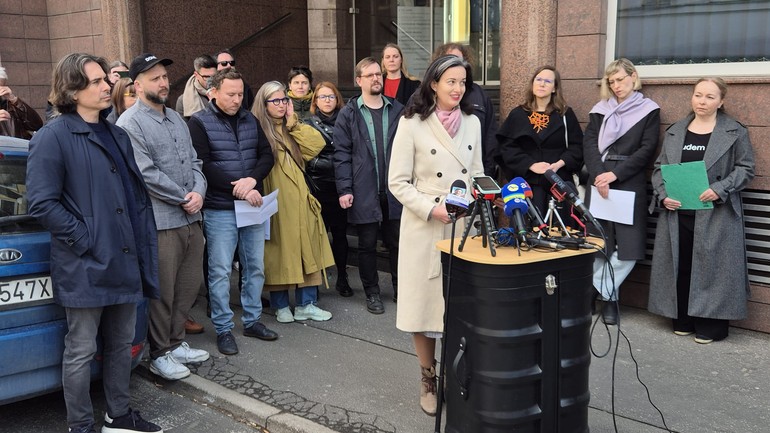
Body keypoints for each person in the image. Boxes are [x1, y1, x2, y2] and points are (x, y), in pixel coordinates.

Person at [26, 53, 162, 433]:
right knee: (81, 349)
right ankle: (80, 425)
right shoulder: (52, 136)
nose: (107, 86)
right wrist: (85, 239)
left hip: (123, 257)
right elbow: (42, 203)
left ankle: (118, 415)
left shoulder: (117, 133)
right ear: (72, 90)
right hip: (84, 263)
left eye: (106, 79)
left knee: (121, 342)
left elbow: (130, 197)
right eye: (96, 81)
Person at [388, 55, 484, 416]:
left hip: (463, 224)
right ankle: (428, 378)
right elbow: (397, 182)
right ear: (434, 84)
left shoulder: (473, 122)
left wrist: (476, 198)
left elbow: (477, 171)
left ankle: (459, 374)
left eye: (463, 82)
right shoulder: (412, 123)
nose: (458, 89)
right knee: (424, 306)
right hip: (424, 224)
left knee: (461, 306)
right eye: (451, 82)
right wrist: (431, 208)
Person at [117, 53, 209, 380]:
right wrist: (185, 197)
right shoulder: (129, 123)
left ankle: (176, 341)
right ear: (137, 85)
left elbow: (195, 162)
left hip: (191, 217)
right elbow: (146, 173)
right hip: (161, 222)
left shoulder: (176, 118)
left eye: (165, 77)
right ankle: (159, 353)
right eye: (155, 78)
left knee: (188, 286)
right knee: (163, 291)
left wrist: (199, 192)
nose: (163, 82)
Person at [648, 77, 755, 344]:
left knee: (713, 270)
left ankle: (710, 326)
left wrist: (720, 188)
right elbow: (660, 169)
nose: (702, 101)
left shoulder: (735, 131)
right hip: (678, 212)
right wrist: (663, 195)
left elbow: (746, 169)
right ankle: (682, 320)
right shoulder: (676, 131)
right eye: (698, 95)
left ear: (721, 101)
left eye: (709, 97)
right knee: (682, 265)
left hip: (716, 212)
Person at [189, 68, 278, 356]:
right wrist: (240, 188)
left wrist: (252, 180)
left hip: (252, 205)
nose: (237, 100)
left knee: (254, 267)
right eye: (231, 94)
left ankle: (252, 321)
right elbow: (203, 164)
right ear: (213, 92)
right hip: (220, 208)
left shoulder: (250, 119)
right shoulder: (199, 123)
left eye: (240, 94)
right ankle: (223, 328)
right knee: (220, 271)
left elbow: (266, 155)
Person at [583, 58, 660, 325]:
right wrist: (599, 176)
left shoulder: (649, 110)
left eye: (620, 79)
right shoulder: (599, 110)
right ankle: (610, 300)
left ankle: (592, 290)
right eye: (611, 81)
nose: (616, 85)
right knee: (598, 243)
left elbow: (647, 149)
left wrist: (615, 174)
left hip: (629, 181)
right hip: (598, 181)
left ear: (633, 77)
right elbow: (589, 144)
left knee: (629, 247)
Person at [252, 81, 335, 323]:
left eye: (284, 100)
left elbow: (316, 145)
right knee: (278, 252)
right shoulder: (257, 129)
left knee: (307, 248)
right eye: (275, 101)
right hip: (274, 199)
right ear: (264, 104)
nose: (281, 105)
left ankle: (306, 304)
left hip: (301, 199)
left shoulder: (292, 126)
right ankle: (280, 305)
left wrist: (294, 123)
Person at [333, 57, 404, 312]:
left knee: (398, 244)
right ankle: (372, 293)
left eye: (378, 74)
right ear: (358, 80)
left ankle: (401, 290)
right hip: (364, 188)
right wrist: (345, 189)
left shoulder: (398, 109)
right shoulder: (349, 113)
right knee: (367, 245)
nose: (376, 78)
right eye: (370, 75)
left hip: (395, 189)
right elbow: (341, 154)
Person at [495, 65, 583, 223]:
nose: (542, 84)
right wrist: (530, 165)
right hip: (527, 186)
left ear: (554, 88)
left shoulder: (565, 114)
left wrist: (559, 164)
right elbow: (506, 148)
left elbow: (577, 146)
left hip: (558, 185)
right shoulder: (518, 114)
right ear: (532, 84)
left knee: (559, 232)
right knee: (528, 231)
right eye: (539, 79)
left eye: (548, 81)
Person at [306, 81, 352, 296]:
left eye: (331, 96)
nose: (327, 100)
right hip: (318, 185)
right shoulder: (308, 123)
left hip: (341, 185)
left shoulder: (347, 120)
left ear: (337, 99)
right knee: (318, 235)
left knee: (340, 235)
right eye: (322, 97)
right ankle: (317, 281)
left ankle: (342, 277)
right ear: (315, 100)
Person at [432, 43, 498, 177]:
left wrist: (486, 175)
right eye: (450, 58)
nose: (457, 89)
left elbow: (490, 138)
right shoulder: (422, 99)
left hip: (469, 177)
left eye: (458, 59)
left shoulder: (478, 96)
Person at [0, 66, 44, 138]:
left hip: (18, 144)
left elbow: (37, 125)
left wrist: (14, 100)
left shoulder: (9, 106)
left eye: (2, 85)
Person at [176, 54, 217, 119]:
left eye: (214, 76)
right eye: (206, 77)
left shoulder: (226, 91)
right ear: (196, 75)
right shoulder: (183, 100)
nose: (211, 80)